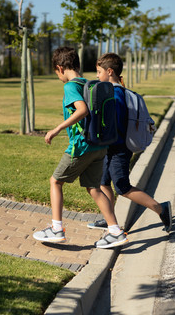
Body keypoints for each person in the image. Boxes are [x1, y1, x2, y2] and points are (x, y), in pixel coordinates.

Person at [32, 47, 128, 249]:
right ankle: (115, 231)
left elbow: (82, 110)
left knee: (55, 181)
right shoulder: (90, 83)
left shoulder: (70, 87)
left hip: (81, 147)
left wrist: (57, 128)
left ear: (60, 68)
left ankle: (56, 229)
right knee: (93, 188)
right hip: (99, 146)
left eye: (56, 73)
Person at [87, 53, 172, 233]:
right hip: (110, 148)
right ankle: (111, 221)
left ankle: (161, 209)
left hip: (118, 148)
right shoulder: (115, 91)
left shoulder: (115, 94)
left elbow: (115, 125)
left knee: (122, 186)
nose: (97, 76)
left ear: (109, 71)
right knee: (103, 182)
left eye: (99, 72)